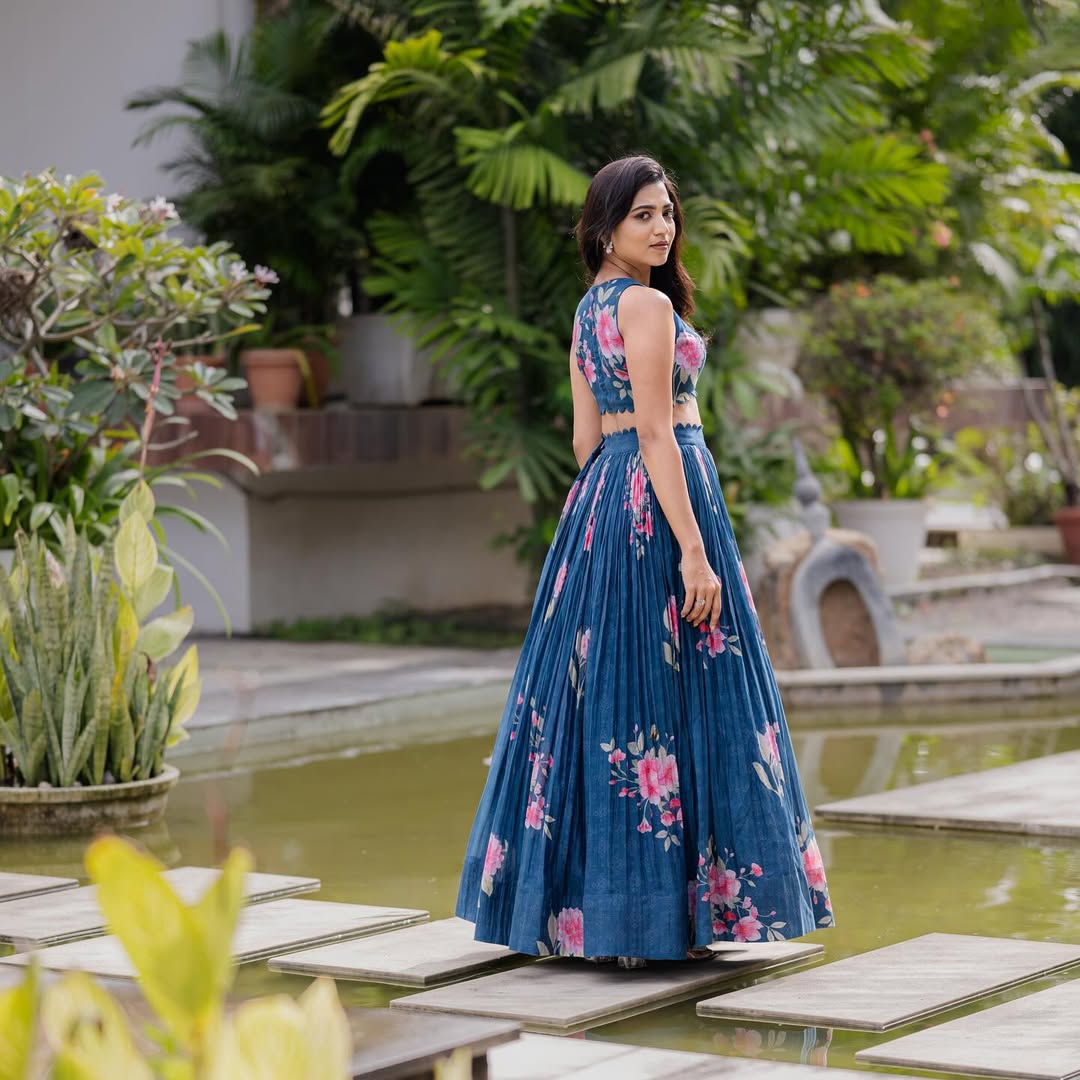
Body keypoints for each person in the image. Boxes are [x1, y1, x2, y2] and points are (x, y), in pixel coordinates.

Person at [455, 155, 834, 967]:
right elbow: (660, 433)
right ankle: (678, 917)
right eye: (644, 216)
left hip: (602, 508)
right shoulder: (648, 305)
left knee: (610, 701)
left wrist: (591, 538)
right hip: (663, 506)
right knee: (692, 697)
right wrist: (693, 549)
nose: (662, 227)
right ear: (604, 227)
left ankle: (607, 917)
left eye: (668, 212)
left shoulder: (590, 309)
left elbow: (587, 440)